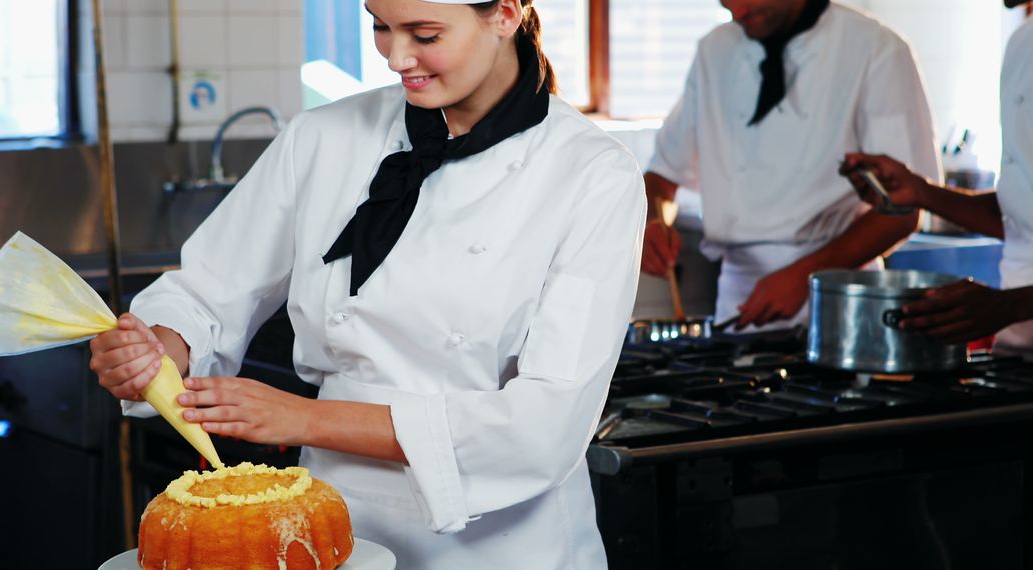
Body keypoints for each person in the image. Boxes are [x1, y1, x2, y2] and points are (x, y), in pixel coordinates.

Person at [88, 0, 645, 568]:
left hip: (503, 543)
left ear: (504, 14)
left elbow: (543, 427)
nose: (396, 58)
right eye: (380, 26)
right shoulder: (324, 137)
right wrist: (155, 352)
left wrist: (303, 419)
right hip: (328, 527)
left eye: (424, 34)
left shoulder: (592, 174)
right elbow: (205, 292)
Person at [642, 0, 941, 331]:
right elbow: (662, 176)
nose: (737, 14)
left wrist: (805, 276)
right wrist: (653, 221)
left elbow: (903, 210)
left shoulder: (876, 49)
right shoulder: (714, 50)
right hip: (738, 301)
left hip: (839, 301)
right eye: (726, 3)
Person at [840, 0, 1033, 356]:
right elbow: (1023, 217)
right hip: (1018, 352)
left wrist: (1013, 305)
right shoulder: (1022, 44)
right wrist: (923, 193)